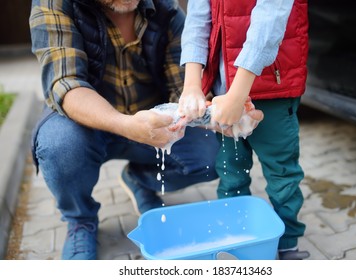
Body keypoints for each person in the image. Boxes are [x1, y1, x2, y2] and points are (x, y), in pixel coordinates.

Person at [29, 0, 221, 260]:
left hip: (150, 123)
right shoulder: (55, 4)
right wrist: (127, 125)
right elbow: (67, 83)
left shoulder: (168, 11)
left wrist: (218, 112)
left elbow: (183, 89)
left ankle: (139, 180)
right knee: (58, 146)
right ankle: (80, 220)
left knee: (212, 156)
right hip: (84, 125)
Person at [179, 0, 310, 260]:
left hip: (272, 90)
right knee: (230, 171)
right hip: (222, 95)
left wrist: (238, 95)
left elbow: (270, 18)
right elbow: (196, 20)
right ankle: (236, 237)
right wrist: (192, 83)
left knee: (281, 171)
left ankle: (287, 242)